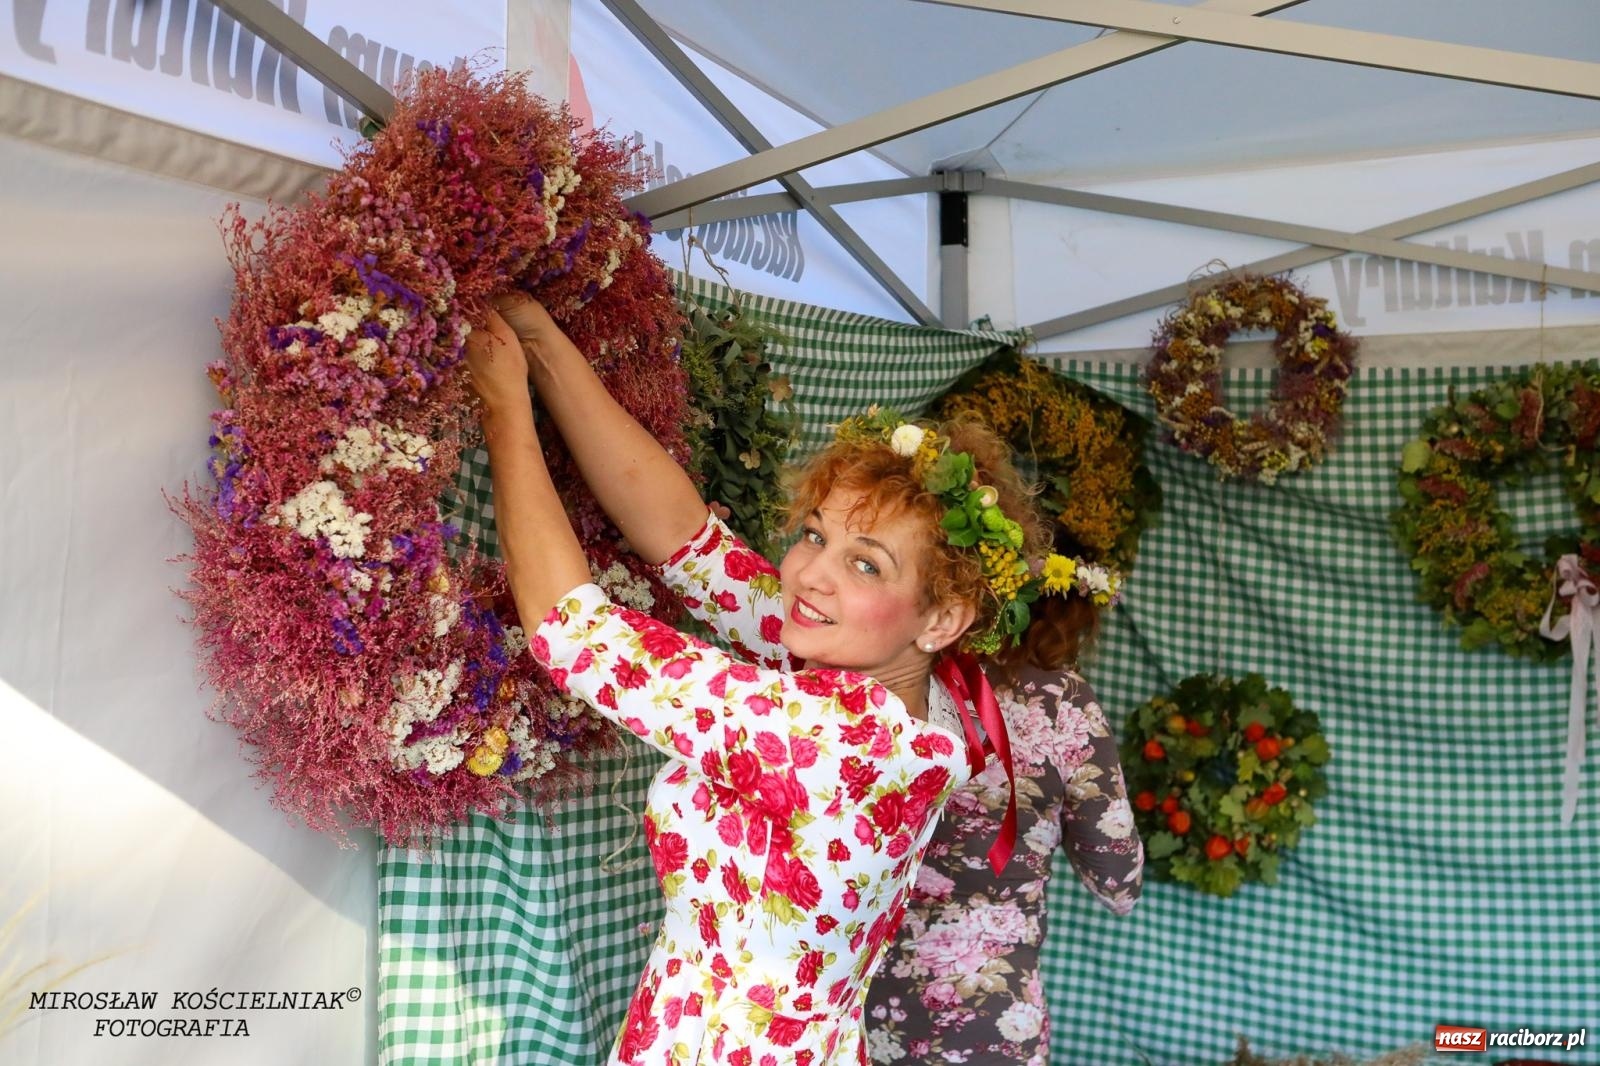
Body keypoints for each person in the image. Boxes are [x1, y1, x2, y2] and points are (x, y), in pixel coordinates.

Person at [463, 294, 1070, 1066]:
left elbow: (574, 634)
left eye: (865, 563)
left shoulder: (831, 735)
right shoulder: (915, 700)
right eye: (813, 534)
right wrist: (545, 348)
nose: (812, 574)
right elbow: (687, 540)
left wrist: (504, 412)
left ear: (941, 619)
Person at [864, 587, 1145, 1065]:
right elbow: (1117, 882)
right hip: (989, 1018)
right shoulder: (1063, 704)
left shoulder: (886, 674)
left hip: (857, 999)